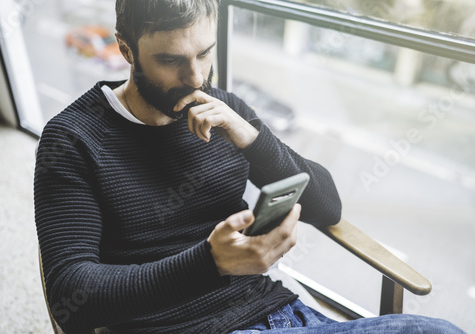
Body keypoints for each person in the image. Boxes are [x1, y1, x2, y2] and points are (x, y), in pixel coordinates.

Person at [34, 1, 465, 333]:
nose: (197, 77)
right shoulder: (72, 139)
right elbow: (73, 297)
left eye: (204, 53)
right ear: (126, 49)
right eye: (172, 60)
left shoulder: (223, 109)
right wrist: (211, 263)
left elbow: (327, 208)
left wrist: (251, 138)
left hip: (280, 313)